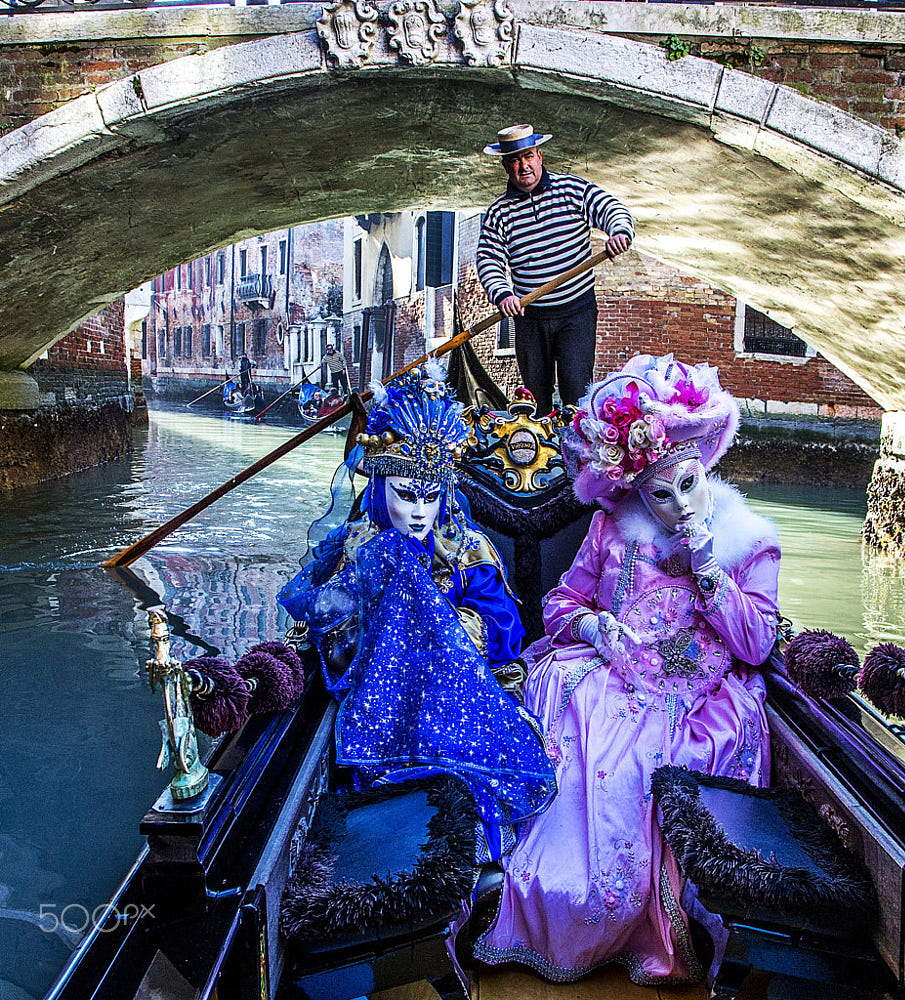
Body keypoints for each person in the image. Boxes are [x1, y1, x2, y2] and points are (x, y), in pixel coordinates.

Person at [474, 353, 781, 984]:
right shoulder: (612, 530)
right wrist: (590, 624)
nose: (676, 506)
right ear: (636, 490)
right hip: (610, 671)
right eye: (658, 495)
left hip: (695, 694)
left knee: (640, 755)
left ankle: (631, 913)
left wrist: (708, 569)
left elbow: (754, 645)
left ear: (707, 468)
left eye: (688, 486)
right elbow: (562, 601)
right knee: (561, 695)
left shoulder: (750, 542)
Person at [277, 364, 556, 861]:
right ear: (381, 487)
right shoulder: (357, 550)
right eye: (407, 496)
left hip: (462, 690)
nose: (421, 514)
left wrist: (442, 633)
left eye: (431, 497)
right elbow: (335, 642)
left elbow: (504, 631)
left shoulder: (465, 546)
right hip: (386, 700)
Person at [477, 123, 635, 418]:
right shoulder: (499, 212)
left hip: (576, 314)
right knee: (534, 402)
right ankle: (540, 461)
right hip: (530, 318)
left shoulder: (572, 189)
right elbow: (489, 259)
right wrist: (502, 294)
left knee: (577, 393)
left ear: (539, 155)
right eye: (514, 160)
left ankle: (576, 460)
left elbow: (611, 207)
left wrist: (619, 232)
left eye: (528, 157)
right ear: (505, 165)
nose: (523, 166)